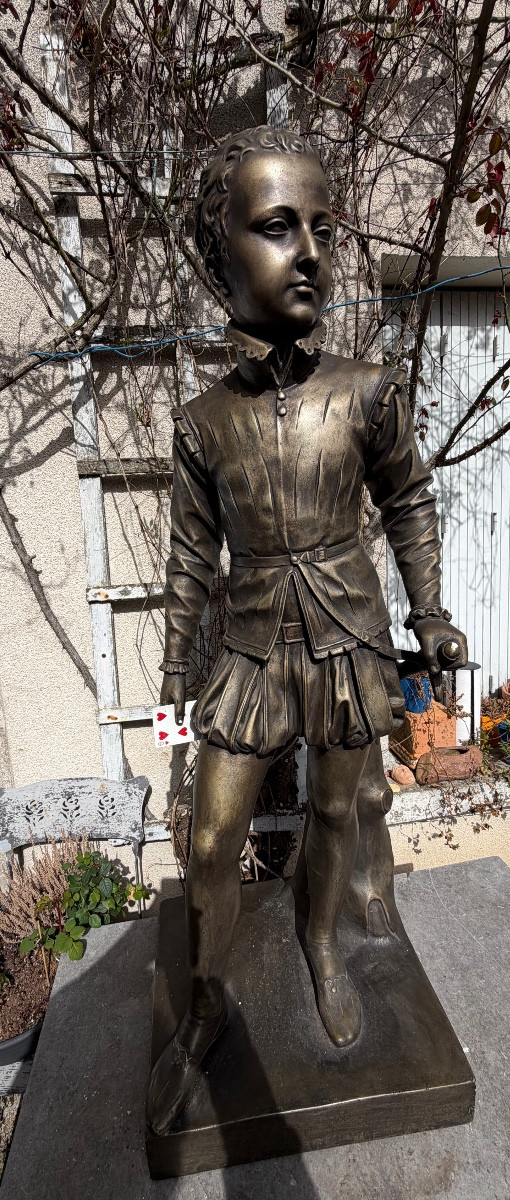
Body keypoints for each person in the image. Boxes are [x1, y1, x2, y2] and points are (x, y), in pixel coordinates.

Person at [147, 126, 467, 1135]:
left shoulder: (365, 392)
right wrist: (173, 665)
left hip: (345, 641)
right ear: (222, 253)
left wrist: (429, 613)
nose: (311, 252)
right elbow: (191, 555)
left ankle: (321, 945)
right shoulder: (203, 422)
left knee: (335, 813)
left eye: (322, 228)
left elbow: (408, 502)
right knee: (210, 836)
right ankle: (205, 1001)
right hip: (248, 651)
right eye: (279, 227)